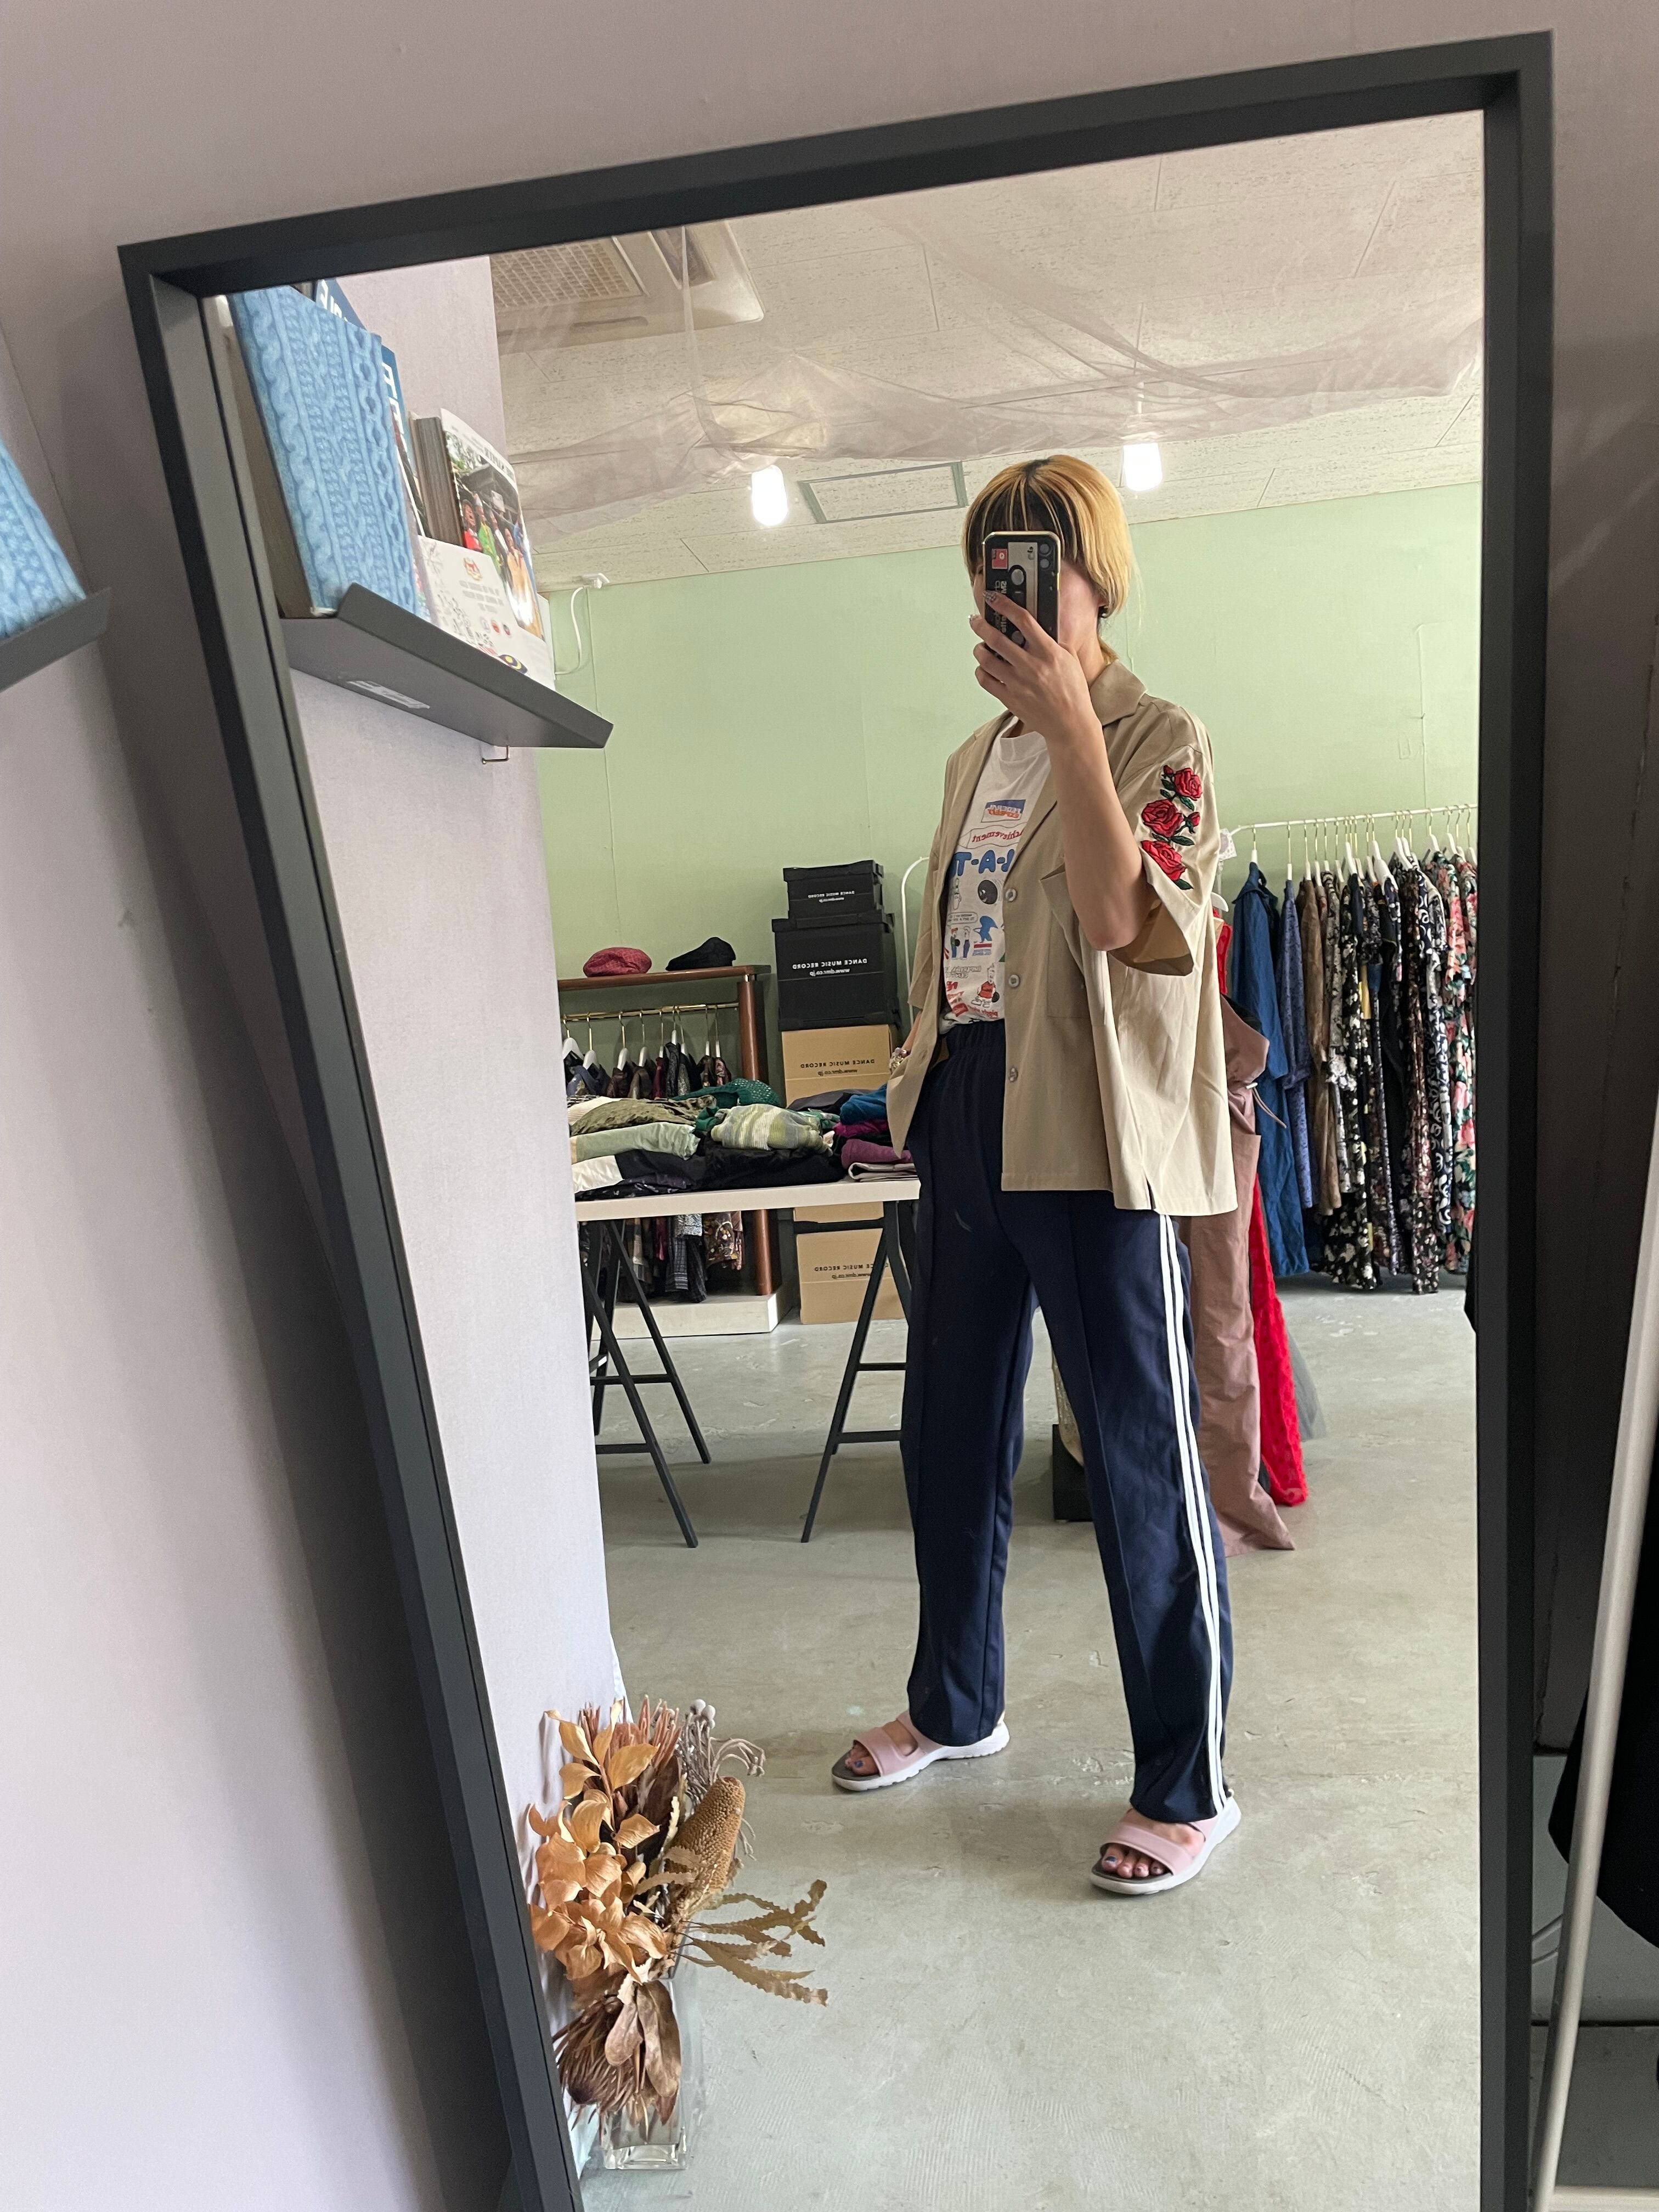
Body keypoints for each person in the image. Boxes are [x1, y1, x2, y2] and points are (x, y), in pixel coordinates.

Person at [830, 455, 1240, 1895]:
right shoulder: (969, 759)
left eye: (1031, 562)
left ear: (1093, 576)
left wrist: (1072, 725)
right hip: (962, 1110)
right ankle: (957, 1704)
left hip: (1089, 1127)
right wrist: (914, 1081)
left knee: (1134, 1450)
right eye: (986, 568)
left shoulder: (1159, 737)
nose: (1002, 592)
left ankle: (1187, 1785)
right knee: (945, 1428)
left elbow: (1129, 922)